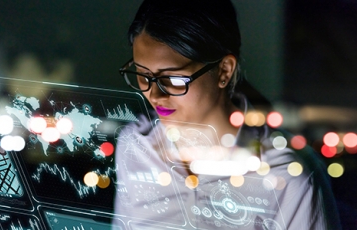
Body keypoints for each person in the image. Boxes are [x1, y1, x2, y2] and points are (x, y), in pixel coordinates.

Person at [113, 0, 341, 229]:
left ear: (224, 71)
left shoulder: (287, 176)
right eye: (142, 75)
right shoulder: (134, 148)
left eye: (173, 79)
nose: (154, 95)